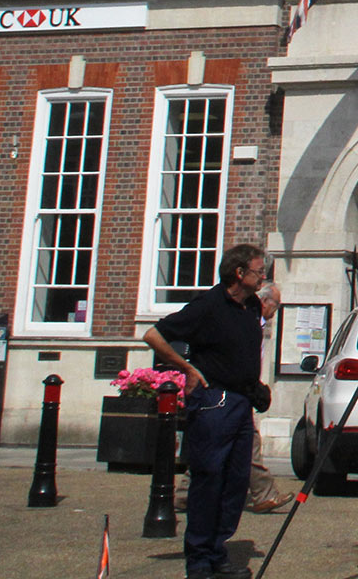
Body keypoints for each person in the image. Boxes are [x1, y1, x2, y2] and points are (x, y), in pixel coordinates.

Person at [145, 244, 271, 579]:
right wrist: (186, 368)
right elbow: (154, 335)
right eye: (259, 271)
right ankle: (199, 561)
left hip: (243, 402)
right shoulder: (207, 305)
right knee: (209, 480)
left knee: (235, 482)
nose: (263, 277)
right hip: (215, 401)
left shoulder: (252, 305)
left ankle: (218, 552)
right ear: (239, 273)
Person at [246, 275, 294, 514]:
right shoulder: (249, 323)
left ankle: (184, 492)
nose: (276, 310)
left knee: (219, 443)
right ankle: (264, 494)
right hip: (238, 392)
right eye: (276, 305)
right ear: (265, 303)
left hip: (243, 390)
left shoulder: (257, 324)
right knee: (249, 443)